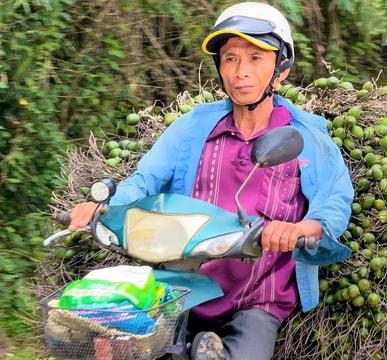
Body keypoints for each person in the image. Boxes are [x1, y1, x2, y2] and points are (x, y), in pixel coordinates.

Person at [68, 2, 354, 360]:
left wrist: (303, 228)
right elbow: (145, 180)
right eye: (230, 58)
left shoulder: (307, 136)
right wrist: (103, 208)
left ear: (281, 69)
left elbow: (335, 199)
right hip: (182, 281)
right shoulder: (193, 128)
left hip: (258, 295)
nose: (240, 72)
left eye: (255, 58)